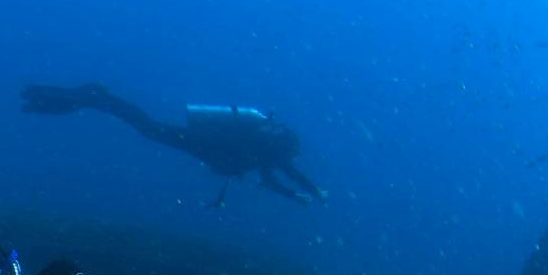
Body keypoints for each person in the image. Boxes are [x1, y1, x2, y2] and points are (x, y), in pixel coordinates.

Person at [20, 83, 324, 205]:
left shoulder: (265, 155)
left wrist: (299, 195)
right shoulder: (268, 154)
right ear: (283, 148)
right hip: (199, 142)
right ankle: (99, 96)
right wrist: (309, 193)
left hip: (199, 145)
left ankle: (95, 99)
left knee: (148, 128)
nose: (291, 158)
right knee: (149, 128)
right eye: (291, 153)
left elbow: (277, 179)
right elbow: (285, 175)